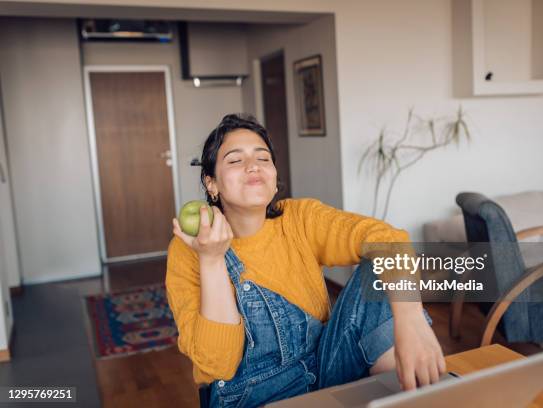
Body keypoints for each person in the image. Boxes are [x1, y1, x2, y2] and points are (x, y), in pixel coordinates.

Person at [166, 113, 445, 407]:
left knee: (379, 268)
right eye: (235, 160)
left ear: (274, 179)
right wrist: (212, 261)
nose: (253, 166)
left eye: (263, 159)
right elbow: (217, 365)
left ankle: (413, 397)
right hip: (257, 398)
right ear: (211, 184)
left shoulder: (299, 218)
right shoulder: (188, 250)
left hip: (327, 373)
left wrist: (410, 318)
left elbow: (386, 237)